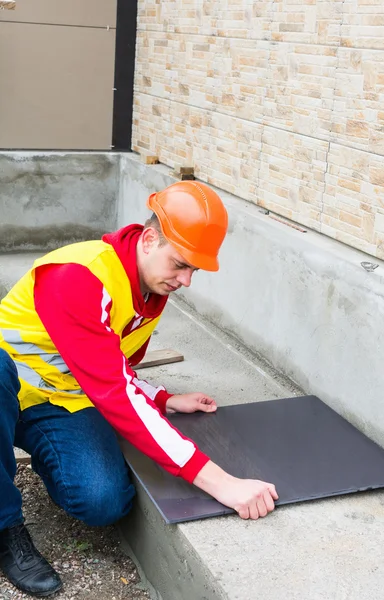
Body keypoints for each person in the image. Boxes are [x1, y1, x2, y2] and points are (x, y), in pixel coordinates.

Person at [0, 181, 278, 597]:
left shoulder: (148, 290)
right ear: (149, 240)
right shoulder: (78, 276)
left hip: (60, 404)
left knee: (102, 501)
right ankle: (5, 529)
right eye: (180, 264)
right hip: (7, 388)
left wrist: (163, 398)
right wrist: (223, 483)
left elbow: (112, 369)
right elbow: (112, 389)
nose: (186, 281)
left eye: (193, 271)